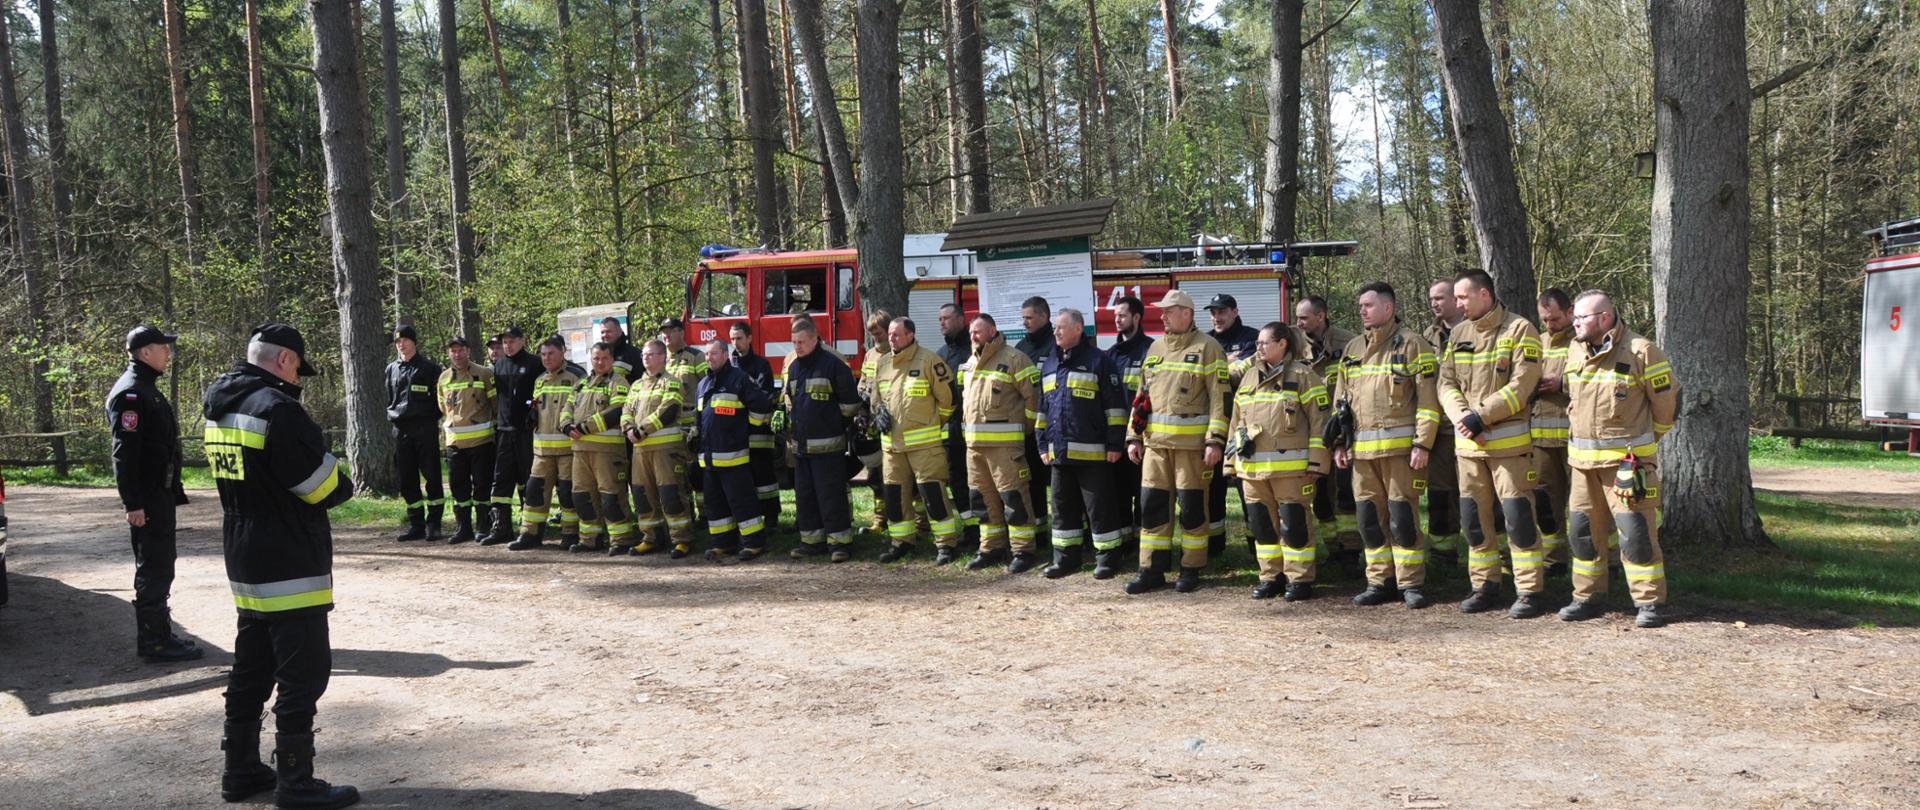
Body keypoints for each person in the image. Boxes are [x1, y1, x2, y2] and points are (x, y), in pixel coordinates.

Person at [202, 323, 358, 808]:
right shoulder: (277, 410)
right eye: (296, 369)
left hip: (244, 549)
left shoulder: (220, 405)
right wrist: (339, 473)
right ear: (285, 360)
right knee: (303, 671)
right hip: (289, 553)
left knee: (252, 663)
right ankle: (295, 780)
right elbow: (322, 487)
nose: (296, 379)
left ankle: (241, 769)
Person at [1558, 291, 1679, 628]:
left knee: (1636, 535)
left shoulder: (1642, 351)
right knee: (1582, 534)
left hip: (1627, 467)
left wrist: (1645, 445)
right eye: (1574, 317)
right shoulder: (1574, 349)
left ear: (1605, 318)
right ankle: (1587, 597)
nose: (1575, 323)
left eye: (1582, 317)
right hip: (1582, 467)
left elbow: (1667, 406)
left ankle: (1649, 602)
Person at [1438, 270, 1547, 617]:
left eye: (1462, 297)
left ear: (1484, 294)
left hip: (1509, 450)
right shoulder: (1459, 333)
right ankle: (1485, 585)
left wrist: (1481, 416)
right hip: (1469, 450)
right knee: (1473, 521)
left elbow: (1522, 386)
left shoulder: (1520, 330)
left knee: (1518, 519)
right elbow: (1446, 383)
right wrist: (1463, 418)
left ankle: (1529, 590)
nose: (1457, 304)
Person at [1331, 283, 1441, 609]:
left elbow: (1428, 400)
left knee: (1402, 519)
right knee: (1368, 520)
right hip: (1361, 455)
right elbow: (1341, 403)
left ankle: (1411, 584)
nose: (1362, 311)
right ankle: (1379, 582)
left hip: (1401, 453)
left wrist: (1423, 444)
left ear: (1388, 308)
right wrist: (1339, 443)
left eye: (1368, 305)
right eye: (1360, 306)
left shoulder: (1413, 344)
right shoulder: (1352, 348)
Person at [1124, 290, 1228, 594]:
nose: (1163, 316)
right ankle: (1151, 570)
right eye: (1162, 311)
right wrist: (1133, 436)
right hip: (1155, 448)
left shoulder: (1209, 348)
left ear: (1186, 313)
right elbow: (1142, 397)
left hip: (1191, 449)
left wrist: (1215, 441)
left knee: (1193, 510)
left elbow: (1220, 399)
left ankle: (1191, 568)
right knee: (1152, 508)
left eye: (1169, 311)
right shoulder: (1155, 348)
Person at [109, 324, 200, 662]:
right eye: (163, 347)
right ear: (145, 352)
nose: (168, 353)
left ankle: (160, 633)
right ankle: (154, 642)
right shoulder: (131, 394)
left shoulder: (146, 388)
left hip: (158, 494)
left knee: (162, 565)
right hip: (147, 498)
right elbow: (125, 453)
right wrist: (133, 502)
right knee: (154, 567)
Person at [1228, 322, 1331, 601]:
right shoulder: (1249, 377)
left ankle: (1299, 580)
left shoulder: (1303, 376)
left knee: (1294, 526)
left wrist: (1317, 463)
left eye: (1264, 343)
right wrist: (1230, 463)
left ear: (1282, 344)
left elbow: (1320, 421)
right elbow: (1236, 422)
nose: (1258, 347)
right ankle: (1270, 578)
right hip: (1252, 471)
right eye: (1257, 343)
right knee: (1262, 527)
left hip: (1291, 471)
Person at [1035, 309, 1128, 579]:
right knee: (1062, 509)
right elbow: (1043, 410)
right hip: (1058, 454)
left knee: (1100, 509)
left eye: (1061, 327)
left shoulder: (1099, 361)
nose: (1055, 332)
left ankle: (1107, 558)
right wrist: (1042, 445)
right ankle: (1065, 559)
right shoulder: (1050, 363)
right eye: (1055, 328)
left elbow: (1115, 407)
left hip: (1093, 455)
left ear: (1078, 329)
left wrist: (1115, 445)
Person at [875, 317, 962, 563]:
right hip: (892, 447)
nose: (891, 338)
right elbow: (877, 398)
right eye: (889, 334)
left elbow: (948, 401)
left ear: (910, 335)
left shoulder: (929, 361)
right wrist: (878, 411)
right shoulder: (883, 363)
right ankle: (901, 542)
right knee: (894, 496)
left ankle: (946, 544)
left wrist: (931, 424)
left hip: (924, 446)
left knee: (933, 494)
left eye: (896, 334)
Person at [958, 313, 1041, 573]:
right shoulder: (970, 363)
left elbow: (1033, 400)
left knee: (1013, 498)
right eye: (971, 333)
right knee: (982, 501)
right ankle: (991, 548)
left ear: (993, 331)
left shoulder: (1015, 359)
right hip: (975, 448)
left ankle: (1022, 551)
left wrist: (1025, 430)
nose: (973, 336)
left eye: (977, 332)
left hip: (1005, 448)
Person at [783, 317, 862, 561]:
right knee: (805, 497)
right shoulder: (794, 368)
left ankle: (840, 544)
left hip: (828, 447)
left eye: (801, 342)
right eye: (794, 343)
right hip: (801, 448)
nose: (797, 347)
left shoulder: (833, 365)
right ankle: (812, 543)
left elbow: (850, 405)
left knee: (831, 497)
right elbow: (792, 403)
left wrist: (831, 425)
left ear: (814, 338)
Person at [694, 339, 775, 560]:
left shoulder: (739, 379)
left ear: (725, 355)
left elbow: (762, 406)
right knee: (715, 505)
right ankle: (723, 543)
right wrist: (695, 432)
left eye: (714, 353)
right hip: (709, 459)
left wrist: (746, 428)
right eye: (707, 354)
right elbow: (700, 417)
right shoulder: (703, 384)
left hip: (734, 458)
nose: (709, 358)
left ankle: (754, 543)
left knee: (743, 503)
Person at [1296, 294, 1361, 569]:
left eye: (1304, 318)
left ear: (1320, 317)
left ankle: (1351, 552)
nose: (1299, 323)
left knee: (1345, 495)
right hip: (1310, 434)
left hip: (1341, 432)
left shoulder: (1348, 343)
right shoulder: (1294, 344)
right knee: (1320, 497)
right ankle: (1333, 548)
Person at [622, 340, 695, 557]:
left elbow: (667, 410)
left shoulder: (671, 382)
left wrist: (641, 430)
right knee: (643, 496)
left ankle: (682, 540)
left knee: (672, 495)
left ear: (662, 357)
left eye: (651, 354)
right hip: (640, 452)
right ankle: (651, 538)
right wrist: (628, 428)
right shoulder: (636, 385)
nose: (645, 358)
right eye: (644, 354)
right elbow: (626, 410)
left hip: (666, 450)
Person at [510, 336, 581, 550]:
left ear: (562, 352)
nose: (546, 358)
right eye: (543, 354)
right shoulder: (540, 379)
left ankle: (570, 534)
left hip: (568, 450)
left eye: (551, 354)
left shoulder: (577, 376)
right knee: (534, 493)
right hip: (541, 450)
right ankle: (529, 534)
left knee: (567, 494)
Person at [1204, 294, 1260, 561]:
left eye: (1222, 311)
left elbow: (1245, 373)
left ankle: (1256, 546)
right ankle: (1214, 546)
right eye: (1213, 312)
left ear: (1235, 311)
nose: (1217, 317)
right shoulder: (1205, 341)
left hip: (1242, 425)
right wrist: (1229, 360)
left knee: (1247, 486)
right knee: (1211, 486)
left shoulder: (1252, 338)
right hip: (1212, 425)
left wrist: (1218, 366)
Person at [562, 343, 632, 553]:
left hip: (607, 452)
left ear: (611, 359)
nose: (600, 362)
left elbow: (617, 411)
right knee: (582, 497)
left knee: (612, 497)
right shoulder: (581, 384)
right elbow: (567, 407)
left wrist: (585, 427)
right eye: (596, 358)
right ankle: (589, 539)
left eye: (604, 358)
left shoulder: (618, 382)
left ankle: (621, 540)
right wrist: (566, 426)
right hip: (580, 451)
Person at [385, 325, 444, 541]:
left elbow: (440, 401)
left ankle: (434, 524)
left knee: (432, 476)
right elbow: (389, 398)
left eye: (405, 340)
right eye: (398, 341)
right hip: (401, 430)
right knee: (407, 478)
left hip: (424, 428)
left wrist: (428, 419)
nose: (401, 344)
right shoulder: (391, 369)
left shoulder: (429, 368)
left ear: (414, 342)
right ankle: (416, 524)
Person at [482, 327, 540, 545]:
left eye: (511, 341)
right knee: (501, 479)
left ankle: (531, 528)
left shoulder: (534, 363)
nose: (507, 345)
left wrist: (533, 414)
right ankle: (501, 527)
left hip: (526, 431)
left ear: (522, 341)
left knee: (528, 480)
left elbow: (540, 394)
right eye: (504, 342)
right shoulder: (499, 365)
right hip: (504, 431)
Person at [1532, 288, 1576, 574]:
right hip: (1541, 439)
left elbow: (1596, 381)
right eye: (1545, 320)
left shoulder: (1582, 342)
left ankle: (1606, 561)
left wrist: (1563, 384)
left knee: (1586, 506)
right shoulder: (1536, 343)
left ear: (1570, 312)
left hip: (1575, 438)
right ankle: (1553, 560)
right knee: (1546, 504)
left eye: (1555, 319)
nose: (1550, 325)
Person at [1422, 281, 1466, 559]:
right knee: (1440, 492)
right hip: (1439, 428)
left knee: (1477, 492)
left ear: (1455, 299)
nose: (1434, 304)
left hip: (1471, 425)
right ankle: (1443, 552)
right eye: (1431, 299)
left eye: (1439, 298)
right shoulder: (1428, 336)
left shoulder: (1475, 330)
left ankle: (1496, 554)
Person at [438, 336, 497, 544]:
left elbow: (495, 403)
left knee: (482, 486)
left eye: (461, 350)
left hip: (481, 442)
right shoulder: (444, 378)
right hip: (454, 444)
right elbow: (443, 407)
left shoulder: (484, 373)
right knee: (458, 487)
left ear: (468, 351)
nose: (457, 354)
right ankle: (463, 528)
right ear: (448, 353)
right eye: (453, 351)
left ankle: (483, 526)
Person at [1107, 295, 1153, 555]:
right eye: (1115, 315)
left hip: (1142, 437)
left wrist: (1139, 435)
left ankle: (1143, 545)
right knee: (1118, 493)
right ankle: (1125, 543)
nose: (1117, 319)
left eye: (1122, 315)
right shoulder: (1110, 355)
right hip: (1116, 438)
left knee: (1143, 493)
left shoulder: (1151, 351)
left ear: (1136, 317)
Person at [729, 322, 782, 527]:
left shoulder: (761, 365)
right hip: (736, 433)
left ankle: (771, 517)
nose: (736, 343)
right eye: (732, 339)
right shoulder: (728, 366)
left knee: (764, 476)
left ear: (749, 338)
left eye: (739, 338)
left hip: (759, 432)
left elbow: (764, 397)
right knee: (741, 478)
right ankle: (748, 517)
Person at [936, 303, 979, 546]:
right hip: (951, 436)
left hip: (975, 433)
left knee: (979, 483)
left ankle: (988, 529)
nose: (942, 322)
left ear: (962, 320)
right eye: (939, 319)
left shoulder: (974, 350)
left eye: (947, 318)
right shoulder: (940, 355)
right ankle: (971, 529)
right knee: (957, 482)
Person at [855, 311, 894, 535]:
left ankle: (919, 524)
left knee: (898, 476)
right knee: (874, 477)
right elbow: (863, 384)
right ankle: (880, 520)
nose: (875, 338)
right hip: (872, 424)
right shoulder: (870, 355)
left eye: (878, 333)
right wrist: (861, 411)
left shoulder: (898, 353)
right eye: (872, 334)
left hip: (892, 423)